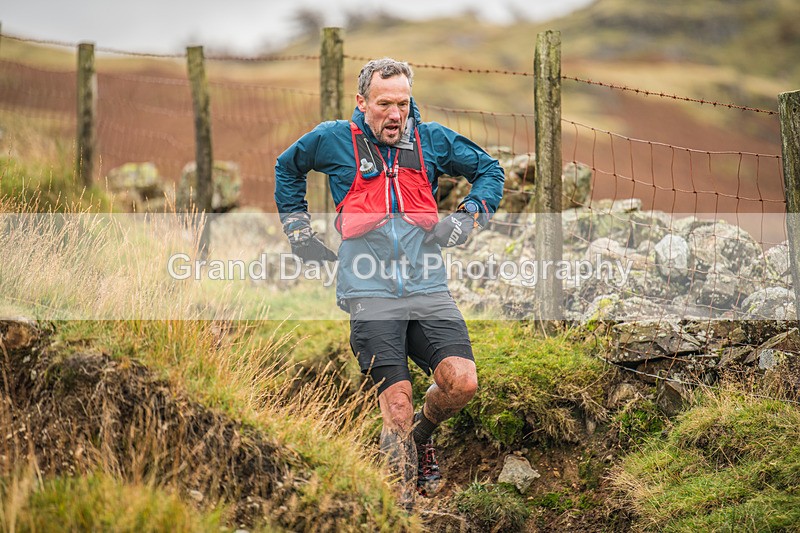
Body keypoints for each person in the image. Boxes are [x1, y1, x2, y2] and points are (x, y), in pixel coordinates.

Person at [274, 58, 504, 510]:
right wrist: (299, 232)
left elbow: (490, 170)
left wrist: (469, 215)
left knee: (462, 383)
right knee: (396, 403)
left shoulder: (431, 139)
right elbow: (287, 167)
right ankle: (400, 505)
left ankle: (423, 436)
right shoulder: (334, 139)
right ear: (362, 102)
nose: (395, 114)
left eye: (402, 103)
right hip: (368, 292)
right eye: (384, 104)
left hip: (427, 287)